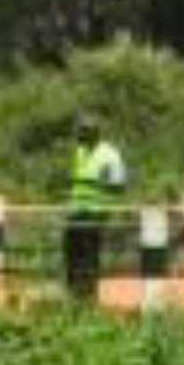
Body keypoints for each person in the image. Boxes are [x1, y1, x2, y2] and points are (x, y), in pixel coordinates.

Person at [65, 114, 129, 300]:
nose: (79, 136)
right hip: (75, 210)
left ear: (94, 133)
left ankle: (88, 295)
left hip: (95, 211)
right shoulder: (79, 151)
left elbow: (119, 185)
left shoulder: (110, 154)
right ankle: (73, 294)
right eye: (79, 131)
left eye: (83, 132)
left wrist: (94, 183)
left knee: (88, 256)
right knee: (71, 254)